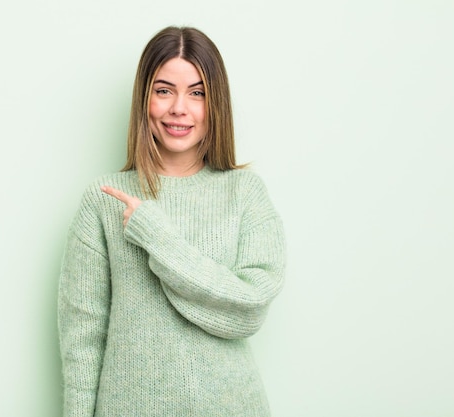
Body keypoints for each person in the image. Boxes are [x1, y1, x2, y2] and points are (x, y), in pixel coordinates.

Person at [57, 26, 286, 417]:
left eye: (197, 93)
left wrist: (156, 236)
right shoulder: (103, 199)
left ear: (216, 104)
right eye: (164, 90)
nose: (179, 107)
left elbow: (248, 308)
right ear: (144, 98)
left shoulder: (245, 192)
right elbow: (83, 337)